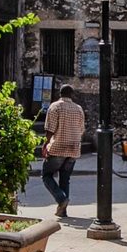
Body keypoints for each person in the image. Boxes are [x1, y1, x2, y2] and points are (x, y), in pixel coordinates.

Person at [42, 85, 84, 217]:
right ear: (72, 94)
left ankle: (61, 199)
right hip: (73, 148)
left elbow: (50, 129)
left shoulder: (55, 106)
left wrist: (45, 144)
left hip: (58, 147)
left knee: (46, 175)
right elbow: (82, 129)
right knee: (65, 180)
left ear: (60, 93)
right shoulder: (78, 109)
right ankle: (62, 211)